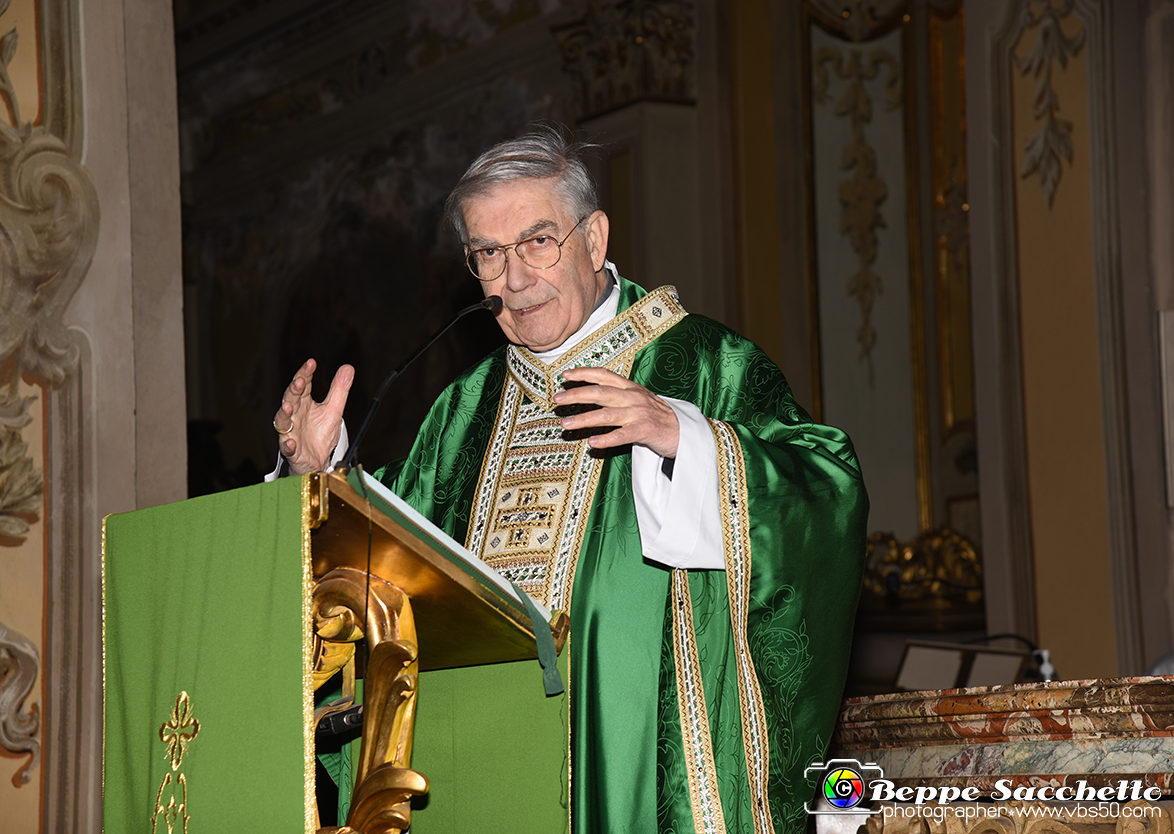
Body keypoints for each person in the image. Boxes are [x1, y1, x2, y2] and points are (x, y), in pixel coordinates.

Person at [271, 127, 868, 834]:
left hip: (636, 766)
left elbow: (828, 489)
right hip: (481, 763)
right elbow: (393, 555)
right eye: (488, 254)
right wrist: (323, 474)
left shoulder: (702, 363)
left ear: (594, 239)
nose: (513, 278)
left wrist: (685, 437)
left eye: (537, 241)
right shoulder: (466, 408)